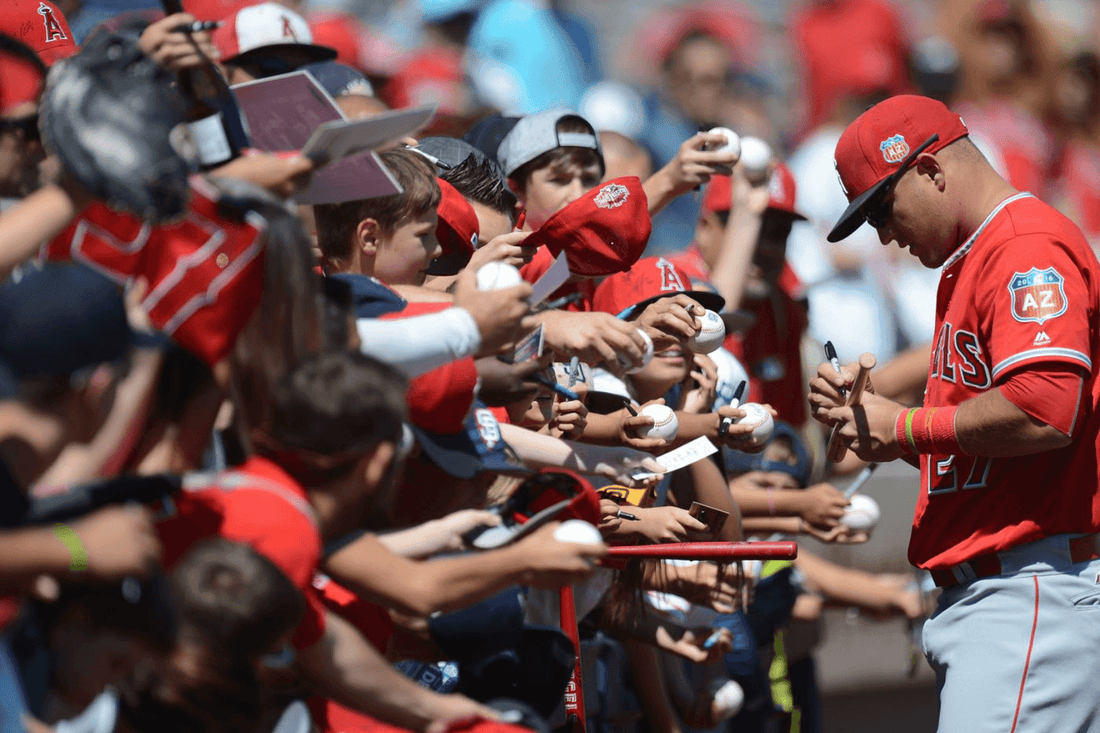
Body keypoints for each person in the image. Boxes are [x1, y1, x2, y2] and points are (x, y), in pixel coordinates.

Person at [810, 94, 1100, 732]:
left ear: (931, 170)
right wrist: (886, 424)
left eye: (883, 210)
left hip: (1030, 589)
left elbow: (1048, 409)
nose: (884, 235)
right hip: (1012, 591)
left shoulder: (1024, 246)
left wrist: (906, 425)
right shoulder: (973, 260)